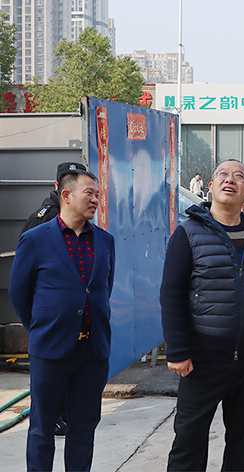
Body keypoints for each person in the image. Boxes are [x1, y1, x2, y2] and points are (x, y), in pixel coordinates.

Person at [160, 159, 244, 471]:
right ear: (211, 187)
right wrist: (177, 349)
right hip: (202, 358)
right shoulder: (188, 233)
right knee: (189, 440)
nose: (230, 179)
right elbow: (171, 293)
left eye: (239, 176)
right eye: (223, 174)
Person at [9, 168, 115, 472]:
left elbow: (102, 289)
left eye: (97, 194)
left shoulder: (105, 241)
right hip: (50, 350)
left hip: (93, 351)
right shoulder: (35, 239)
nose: (95, 200)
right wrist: (43, 328)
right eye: (89, 193)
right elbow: (19, 293)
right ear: (66, 196)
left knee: (84, 427)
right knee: (42, 428)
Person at [19, 161, 87, 438]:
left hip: (75, 322)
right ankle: (54, 418)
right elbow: (22, 287)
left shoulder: (84, 223)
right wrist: (39, 321)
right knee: (49, 381)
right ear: (59, 187)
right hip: (51, 321)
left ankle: (66, 413)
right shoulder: (43, 220)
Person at [20, 161, 87, 235]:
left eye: (77, 184)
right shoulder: (43, 219)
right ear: (56, 185)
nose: (72, 188)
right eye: (67, 183)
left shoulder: (86, 213)